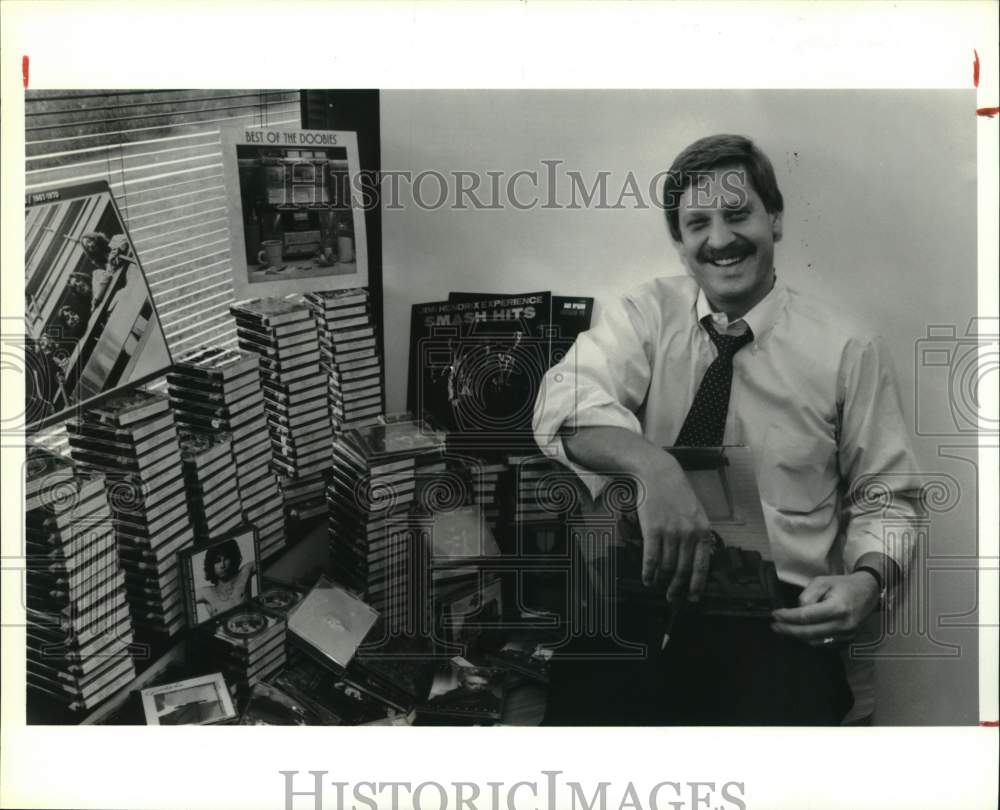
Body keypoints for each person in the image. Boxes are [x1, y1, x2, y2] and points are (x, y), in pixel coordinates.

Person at [532, 133, 921, 725]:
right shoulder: (646, 313)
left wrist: (867, 582)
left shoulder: (847, 348)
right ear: (679, 242)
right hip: (646, 599)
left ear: (776, 219)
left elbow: (890, 497)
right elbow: (563, 402)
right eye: (697, 223)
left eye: (738, 214)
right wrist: (651, 467)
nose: (720, 239)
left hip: (777, 620)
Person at [196, 539, 256, 621]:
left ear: (233, 558)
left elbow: (267, 556)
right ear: (211, 566)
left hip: (251, 627)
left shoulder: (244, 573)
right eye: (217, 561)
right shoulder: (206, 593)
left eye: (226, 558)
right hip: (223, 633)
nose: (222, 565)